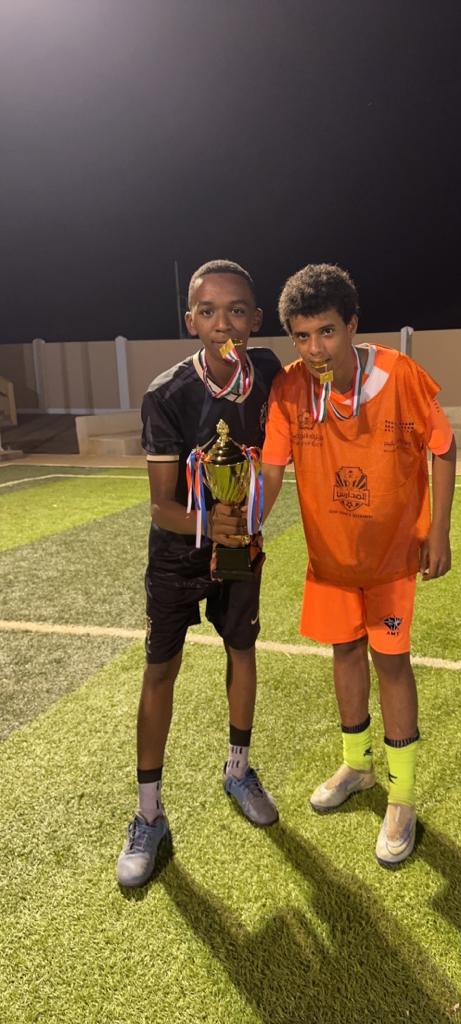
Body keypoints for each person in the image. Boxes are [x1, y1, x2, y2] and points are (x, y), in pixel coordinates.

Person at [260, 264, 456, 867]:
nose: (315, 349)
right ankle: (356, 765)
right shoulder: (288, 388)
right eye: (301, 336)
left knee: (391, 663)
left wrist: (439, 531)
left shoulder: (400, 375)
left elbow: (444, 447)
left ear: (352, 325)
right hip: (331, 561)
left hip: (392, 559)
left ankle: (402, 797)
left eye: (326, 331)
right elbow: (271, 470)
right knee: (344, 653)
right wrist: (245, 524)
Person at [117, 259, 281, 888]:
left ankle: (238, 770)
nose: (223, 323)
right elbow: (162, 506)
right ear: (191, 321)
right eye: (208, 311)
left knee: (243, 650)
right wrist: (213, 526)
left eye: (236, 310)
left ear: (255, 319)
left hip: (241, 550)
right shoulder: (167, 394)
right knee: (161, 669)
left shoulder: (268, 374)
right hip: (179, 554)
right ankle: (148, 815)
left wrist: (245, 524)